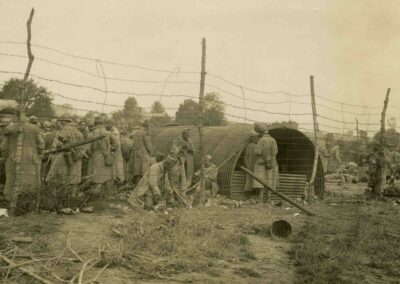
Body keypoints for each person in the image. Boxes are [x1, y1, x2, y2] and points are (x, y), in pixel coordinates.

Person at [1, 110, 45, 215]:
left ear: (16, 116)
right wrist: (38, 154)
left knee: (13, 182)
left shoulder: (10, 128)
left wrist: (7, 157)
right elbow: (41, 144)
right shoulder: (34, 128)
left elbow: (3, 147)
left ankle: (13, 206)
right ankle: (29, 207)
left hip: (14, 158)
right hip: (31, 159)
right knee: (30, 182)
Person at [46, 116, 84, 200]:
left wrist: (54, 148)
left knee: (58, 175)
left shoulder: (65, 130)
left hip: (65, 155)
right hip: (77, 156)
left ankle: (56, 197)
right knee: (74, 178)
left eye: (61, 121)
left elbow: (59, 144)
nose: (60, 123)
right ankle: (72, 197)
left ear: (65, 121)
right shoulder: (79, 132)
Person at [87, 115, 115, 190]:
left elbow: (88, 149)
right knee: (106, 173)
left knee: (95, 173)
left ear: (95, 124)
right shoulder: (108, 133)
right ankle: (105, 189)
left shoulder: (91, 134)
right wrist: (109, 151)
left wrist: (90, 154)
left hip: (95, 155)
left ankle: (96, 189)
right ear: (102, 124)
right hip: (106, 156)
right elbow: (114, 144)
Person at [254, 125, 278, 201]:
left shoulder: (261, 140)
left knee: (261, 179)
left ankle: (260, 197)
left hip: (262, 163)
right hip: (272, 163)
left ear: (260, 133)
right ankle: (268, 197)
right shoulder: (273, 140)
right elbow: (276, 151)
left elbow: (258, 152)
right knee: (270, 179)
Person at [128, 120, 154, 185]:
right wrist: (151, 152)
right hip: (143, 154)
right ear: (147, 127)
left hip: (135, 153)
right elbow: (148, 145)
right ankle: (142, 186)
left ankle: (136, 186)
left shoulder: (135, 132)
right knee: (143, 171)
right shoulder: (145, 133)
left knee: (136, 171)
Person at [105, 119, 124, 183]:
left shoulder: (114, 132)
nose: (106, 125)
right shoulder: (111, 130)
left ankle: (119, 179)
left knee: (117, 165)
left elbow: (115, 144)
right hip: (115, 150)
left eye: (107, 124)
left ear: (111, 124)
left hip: (115, 151)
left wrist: (111, 149)